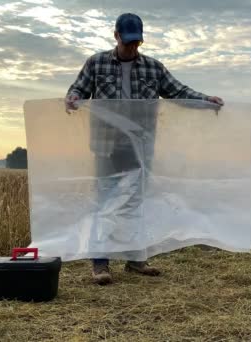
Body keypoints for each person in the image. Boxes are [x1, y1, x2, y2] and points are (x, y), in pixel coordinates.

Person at [65, 13, 224, 285]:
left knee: (136, 203)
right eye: (127, 42)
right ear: (115, 36)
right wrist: (73, 98)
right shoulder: (96, 63)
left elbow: (177, 91)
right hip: (107, 146)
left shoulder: (153, 68)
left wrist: (205, 100)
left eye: (136, 42)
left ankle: (136, 259)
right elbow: (78, 89)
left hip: (141, 147)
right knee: (105, 202)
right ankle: (100, 264)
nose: (132, 47)